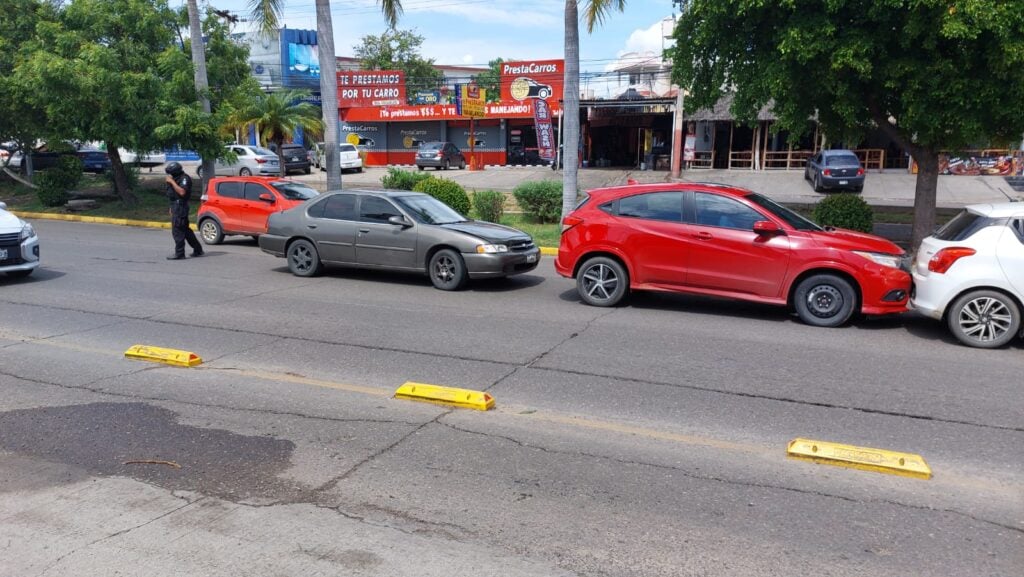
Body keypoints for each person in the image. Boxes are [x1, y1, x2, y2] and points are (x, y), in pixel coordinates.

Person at [164, 162, 203, 260]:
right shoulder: (175, 178)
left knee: (177, 231)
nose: (169, 175)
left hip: (180, 206)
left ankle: (180, 253)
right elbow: (173, 195)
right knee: (185, 230)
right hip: (175, 205)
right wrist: (171, 207)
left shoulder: (184, 178)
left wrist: (172, 182)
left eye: (171, 173)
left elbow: (182, 192)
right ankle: (198, 249)